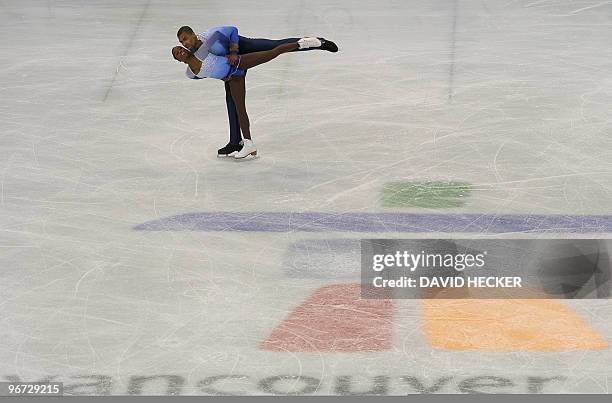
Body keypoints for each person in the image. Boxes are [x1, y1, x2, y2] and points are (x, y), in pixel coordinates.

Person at [176, 25, 338, 157]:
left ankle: (317, 43)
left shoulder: (211, 35)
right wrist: (222, 75)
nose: (185, 43)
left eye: (186, 39)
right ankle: (235, 142)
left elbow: (232, 30)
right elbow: (202, 71)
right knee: (231, 102)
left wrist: (233, 51)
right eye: (181, 42)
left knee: (274, 46)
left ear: (194, 34)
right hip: (232, 68)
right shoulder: (196, 55)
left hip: (242, 47)